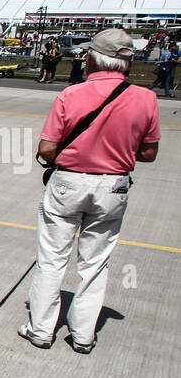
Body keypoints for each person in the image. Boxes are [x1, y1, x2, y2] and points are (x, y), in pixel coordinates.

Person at [19, 29, 160, 354]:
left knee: (52, 257)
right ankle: (83, 334)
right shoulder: (145, 98)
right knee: (95, 261)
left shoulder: (71, 94)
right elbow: (149, 153)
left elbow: (48, 148)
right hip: (114, 184)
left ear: (94, 57)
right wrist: (117, 150)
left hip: (69, 181)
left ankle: (41, 329)